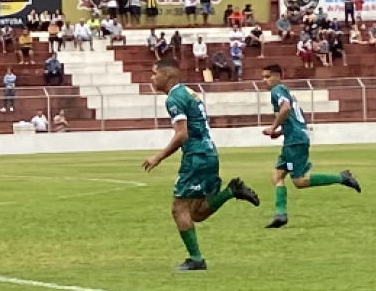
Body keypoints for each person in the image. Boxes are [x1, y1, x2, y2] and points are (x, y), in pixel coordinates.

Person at [142, 58, 261, 271]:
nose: (151, 78)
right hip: (209, 153)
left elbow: (182, 134)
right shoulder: (189, 92)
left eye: (154, 73)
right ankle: (231, 191)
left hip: (196, 157)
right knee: (196, 213)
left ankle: (196, 259)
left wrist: (157, 157)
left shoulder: (174, 98)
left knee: (179, 209)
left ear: (166, 75)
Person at [261, 65, 362, 228]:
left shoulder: (277, 90)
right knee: (278, 175)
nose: (264, 80)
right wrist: (280, 133)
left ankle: (342, 177)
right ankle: (281, 215)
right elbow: (295, 119)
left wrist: (273, 128)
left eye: (267, 77)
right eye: (263, 77)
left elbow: (285, 109)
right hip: (293, 140)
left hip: (295, 143)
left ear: (278, 76)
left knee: (299, 181)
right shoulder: (287, 93)